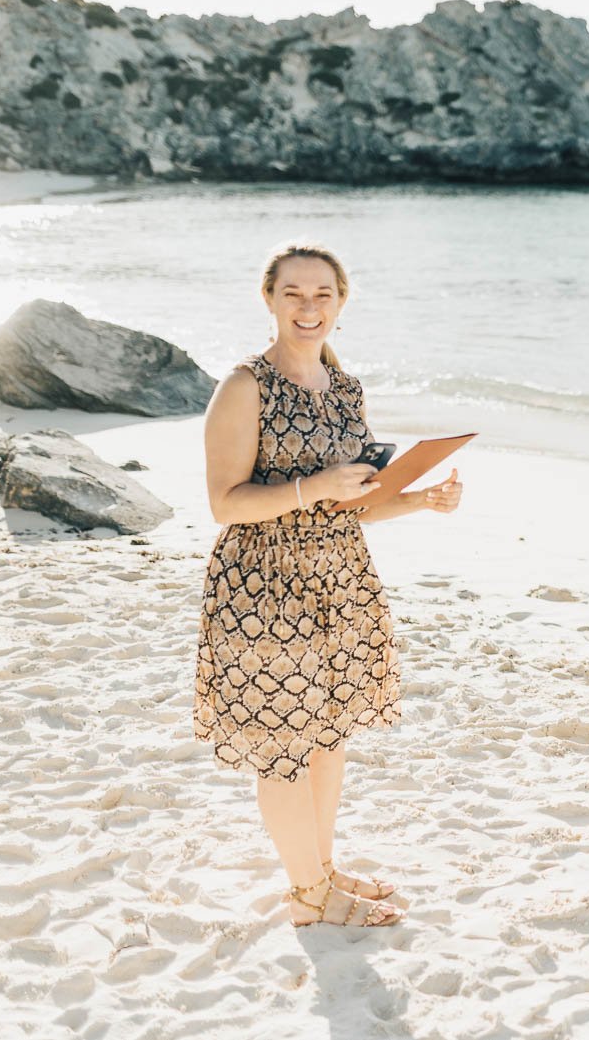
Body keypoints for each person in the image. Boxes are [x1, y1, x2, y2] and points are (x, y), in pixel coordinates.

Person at [195, 242, 463, 926]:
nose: (309, 307)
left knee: (329, 732)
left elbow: (351, 504)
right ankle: (309, 896)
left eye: (323, 294)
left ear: (341, 302)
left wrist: (418, 499)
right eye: (294, 293)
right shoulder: (245, 385)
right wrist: (311, 484)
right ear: (270, 298)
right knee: (283, 741)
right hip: (262, 584)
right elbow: (226, 503)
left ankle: (321, 867)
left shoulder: (345, 390)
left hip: (341, 576)